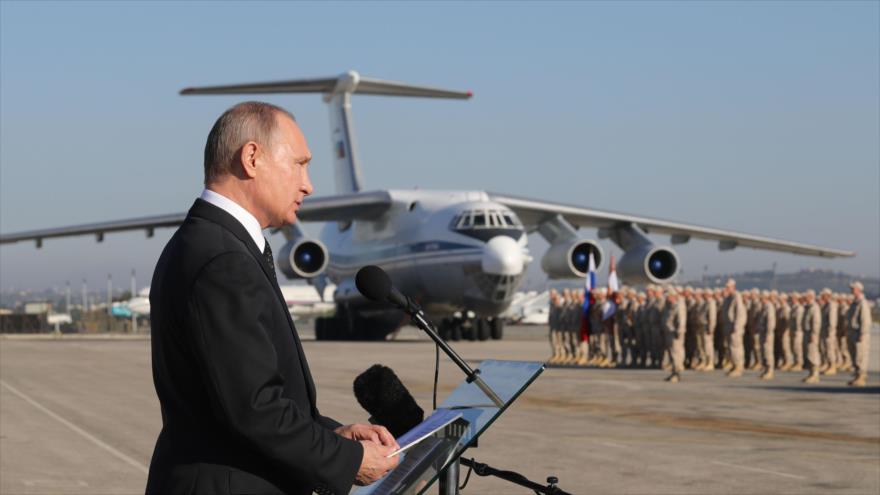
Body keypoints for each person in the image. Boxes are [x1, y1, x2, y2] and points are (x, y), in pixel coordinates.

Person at [146, 102, 399, 495]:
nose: (308, 184)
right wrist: (348, 461)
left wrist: (334, 435)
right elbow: (255, 409)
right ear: (251, 158)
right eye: (299, 163)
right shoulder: (222, 259)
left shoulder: (211, 243)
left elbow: (242, 399)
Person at [846, 281, 873, 387]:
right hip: (853, 332)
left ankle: (861, 377)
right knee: (854, 355)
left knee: (860, 356)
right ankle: (857, 375)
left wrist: (863, 333)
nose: (851, 290)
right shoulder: (855, 303)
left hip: (859, 333)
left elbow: (865, 320)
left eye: (853, 288)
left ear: (858, 289)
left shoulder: (862, 303)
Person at [722, 279, 747, 377]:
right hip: (729, 326)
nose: (726, 289)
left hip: (735, 327)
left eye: (728, 287)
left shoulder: (737, 297)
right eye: (726, 287)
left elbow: (740, 313)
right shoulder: (729, 298)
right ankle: (733, 365)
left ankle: (738, 367)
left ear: (733, 287)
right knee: (731, 347)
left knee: (736, 347)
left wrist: (737, 327)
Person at [662, 289, 687, 382]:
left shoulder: (678, 306)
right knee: (672, 353)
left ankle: (677, 373)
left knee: (676, 353)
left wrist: (679, 331)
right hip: (669, 332)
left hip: (675, 333)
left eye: (668, 297)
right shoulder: (670, 306)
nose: (667, 299)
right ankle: (673, 372)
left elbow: (681, 320)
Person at [802, 290, 823, 384]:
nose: (804, 298)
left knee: (813, 354)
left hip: (811, 334)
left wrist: (814, 334)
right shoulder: (808, 307)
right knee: (809, 354)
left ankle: (815, 375)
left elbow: (816, 322)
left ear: (811, 296)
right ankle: (811, 373)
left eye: (806, 296)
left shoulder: (814, 308)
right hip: (807, 333)